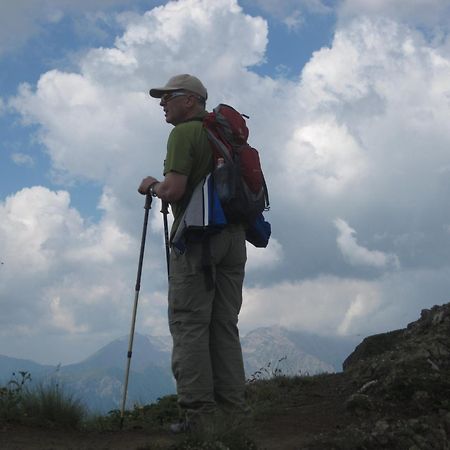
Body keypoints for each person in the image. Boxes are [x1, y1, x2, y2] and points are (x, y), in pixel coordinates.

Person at [138, 74, 248, 432]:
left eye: (168, 97)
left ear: (191, 100)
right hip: (234, 239)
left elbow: (173, 190)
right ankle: (232, 415)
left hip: (199, 239)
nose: (162, 104)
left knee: (189, 325)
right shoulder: (224, 138)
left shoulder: (184, 133)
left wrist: (151, 185)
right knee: (223, 326)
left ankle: (199, 419)